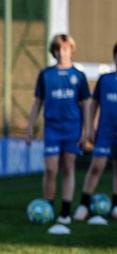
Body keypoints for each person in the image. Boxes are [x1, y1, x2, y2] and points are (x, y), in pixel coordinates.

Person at [25, 34, 91, 224]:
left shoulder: (79, 76)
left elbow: (86, 104)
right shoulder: (46, 75)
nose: (62, 53)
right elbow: (38, 102)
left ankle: (65, 212)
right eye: (58, 49)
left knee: (68, 167)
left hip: (72, 128)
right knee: (51, 169)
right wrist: (30, 127)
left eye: (65, 49)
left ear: (71, 51)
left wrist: (86, 129)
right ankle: (48, 208)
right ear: (53, 52)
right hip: (52, 128)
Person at [73, 42, 117, 221]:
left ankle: (115, 206)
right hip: (105, 132)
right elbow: (94, 105)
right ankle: (84, 204)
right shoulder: (105, 80)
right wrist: (89, 127)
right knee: (96, 166)